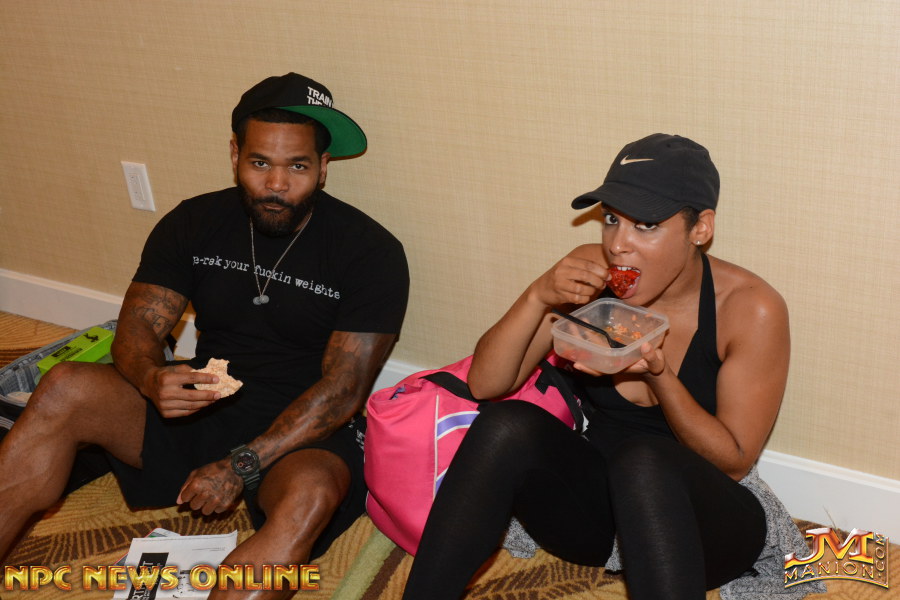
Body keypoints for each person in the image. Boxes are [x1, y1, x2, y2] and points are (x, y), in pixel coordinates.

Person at [0, 72, 410, 599]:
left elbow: (343, 391)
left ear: (323, 167)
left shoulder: (370, 251)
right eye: (260, 163)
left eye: (297, 166)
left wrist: (242, 464)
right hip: (207, 397)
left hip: (303, 426)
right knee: (64, 386)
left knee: (310, 496)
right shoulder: (194, 221)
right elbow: (138, 327)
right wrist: (150, 377)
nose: (277, 184)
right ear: (235, 154)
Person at [402, 134, 820, 599]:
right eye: (611, 219)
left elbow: (734, 462)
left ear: (700, 228)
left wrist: (658, 374)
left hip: (707, 529)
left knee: (643, 459)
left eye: (646, 225)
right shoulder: (591, 271)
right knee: (505, 424)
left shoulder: (750, 308)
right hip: (602, 515)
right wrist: (538, 295)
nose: (619, 245)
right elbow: (485, 384)